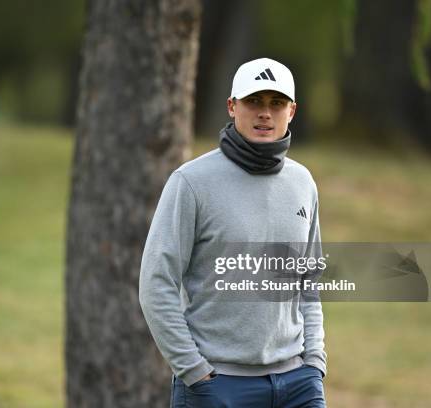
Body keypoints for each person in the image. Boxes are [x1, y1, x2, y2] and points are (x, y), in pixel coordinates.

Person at [139, 57, 327, 407]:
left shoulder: (303, 183)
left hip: (298, 384)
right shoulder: (191, 182)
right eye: (254, 101)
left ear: (292, 111)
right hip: (217, 386)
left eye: (276, 103)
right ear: (232, 106)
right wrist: (194, 370)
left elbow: (309, 281)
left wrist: (313, 362)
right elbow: (156, 283)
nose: (265, 114)